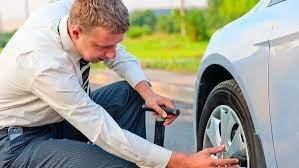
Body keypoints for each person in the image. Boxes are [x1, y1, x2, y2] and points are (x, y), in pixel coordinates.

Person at [0, 0, 239, 167]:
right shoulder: (42, 62)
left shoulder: (74, 10)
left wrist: (148, 93)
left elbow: (120, 55)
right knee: (115, 164)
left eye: (114, 44)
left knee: (128, 93)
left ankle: (135, 161)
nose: (111, 54)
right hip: (18, 142)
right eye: (103, 47)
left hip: (57, 120)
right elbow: (101, 128)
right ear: (75, 32)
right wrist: (182, 162)